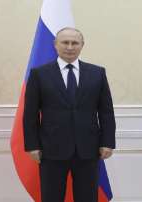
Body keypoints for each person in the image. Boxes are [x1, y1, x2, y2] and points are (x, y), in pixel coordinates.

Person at [23, 27, 116, 202]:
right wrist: (32, 145)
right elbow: (30, 114)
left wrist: (107, 142)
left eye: (75, 43)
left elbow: (106, 111)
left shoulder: (97, 73)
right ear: (55, 45)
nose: (70, 47)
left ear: (82, 45)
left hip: (88, 149)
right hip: (51, 149)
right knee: (52, 197)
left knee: (87, 197)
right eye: (65, 42)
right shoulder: (39, 74)